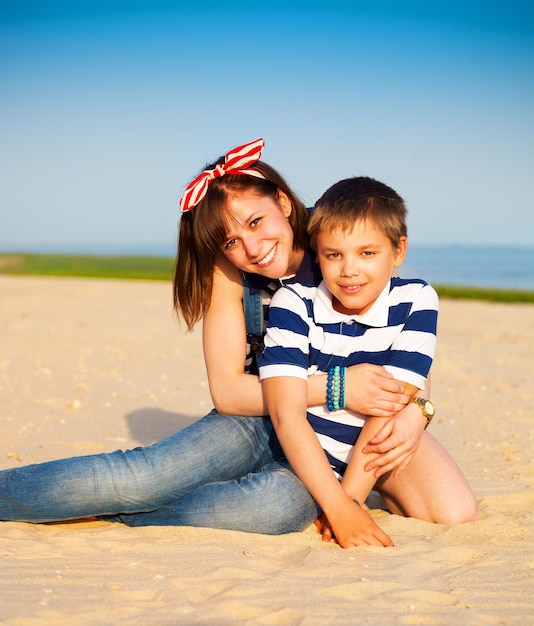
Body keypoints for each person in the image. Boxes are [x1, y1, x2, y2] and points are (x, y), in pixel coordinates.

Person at [1, 139, 421, 535]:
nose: (254, 248)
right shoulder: (230, 273)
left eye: (256, 222)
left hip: (325, 439)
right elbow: (227, 392)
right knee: (147, 476)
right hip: (253, 420)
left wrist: (420, 410)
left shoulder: (340, 241)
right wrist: (337, 386)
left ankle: (124, 515)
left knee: (278, 509)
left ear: (281, 200)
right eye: (232, 240)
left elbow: (404, 335)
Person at [259, 176, 477, 548]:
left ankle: (382, 492)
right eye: (334, 254)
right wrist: (338, 503)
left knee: (456, 512)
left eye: (367, 253)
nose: (349, 270)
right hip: (315, 450)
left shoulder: (417, 300)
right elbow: (287, 413)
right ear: (318, 252)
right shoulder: (294, 303)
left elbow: (394, 399)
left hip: (378, 439)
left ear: (398, 250)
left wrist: (353, 500)